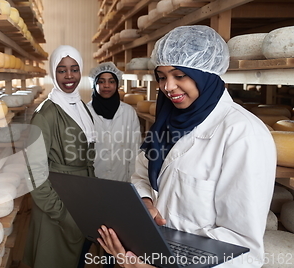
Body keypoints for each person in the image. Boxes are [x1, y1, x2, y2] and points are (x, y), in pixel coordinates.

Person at [97, 25, 276, 268]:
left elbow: (242, 249)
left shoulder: (243, 134)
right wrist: (147, 204)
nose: (168, 87)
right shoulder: (165, 123)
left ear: (206, 74)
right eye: (161, 77)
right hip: (154, 251)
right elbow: (141, 176)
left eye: (179, 75)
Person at [23, 45, 96, 268]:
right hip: (57, 206)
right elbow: (35, 174)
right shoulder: (45, 114)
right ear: (53, 72)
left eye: (74, 69)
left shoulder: (80, 106)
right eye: (62, 70)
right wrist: (63, 214)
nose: (69, 76)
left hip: (81, 200)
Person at [87, 62, 141, 182]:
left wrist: (133, 180)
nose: (107, 85)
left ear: (117, 85)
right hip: (93, 179)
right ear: (94, 84)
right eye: (101, 81)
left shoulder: (128, 112)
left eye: (111, 81)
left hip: (121, 178)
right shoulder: (85, 112)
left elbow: (135, 149)